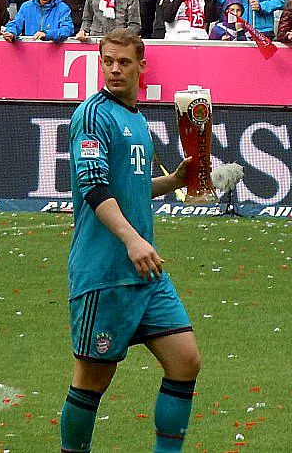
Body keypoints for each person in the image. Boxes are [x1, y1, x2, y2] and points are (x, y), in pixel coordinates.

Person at [61, 29, 200, 453]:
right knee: (92, 380)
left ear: (142, 66)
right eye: (108, 61)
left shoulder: (136, 119)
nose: (115, 69)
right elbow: (95, 188)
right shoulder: (93, 116)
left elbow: (130, 188)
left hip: (145, 271)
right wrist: (132, 240)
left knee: (185, 360)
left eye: (124, 62)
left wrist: (171, 182)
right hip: (105, 272)